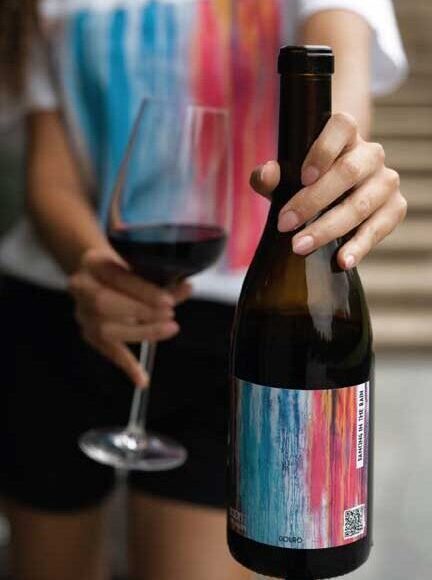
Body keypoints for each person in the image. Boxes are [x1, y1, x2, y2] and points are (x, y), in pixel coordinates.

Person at [0, 1, 408, 579]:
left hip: (240, 336)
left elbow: (336, 69)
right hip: (63, 306)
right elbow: (51, 178)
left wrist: (339, 163)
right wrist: (94, 269)